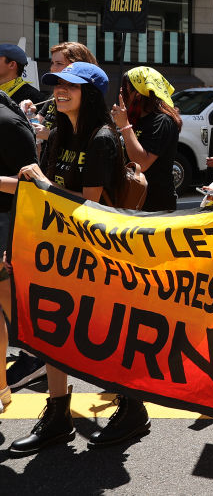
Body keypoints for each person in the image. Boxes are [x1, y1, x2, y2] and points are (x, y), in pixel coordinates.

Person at [1, 62, 144, 453]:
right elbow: (38, 192)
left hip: (95, 254)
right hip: (58, 251)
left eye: (71, 86)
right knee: (53, 331)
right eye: (58, 84)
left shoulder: (101, 138)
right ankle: (58, 415)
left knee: (103, 333)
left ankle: (132, 409)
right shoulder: (61, 133)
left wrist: (43, 184)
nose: (60, 90)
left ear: (91, 94)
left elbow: (90, 208)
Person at [0, 84, 39, 409]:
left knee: (4, 298)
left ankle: (33, 353)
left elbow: (35, 185)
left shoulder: (8, 123)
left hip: (7, 223)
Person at [111, 66, 181, 212]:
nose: (121, 92)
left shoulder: (162, 121)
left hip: (155, 206)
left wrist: (124, 126)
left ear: (138, 93)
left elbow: (142, 163)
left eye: (125, 87)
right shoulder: (134, 119)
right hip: (130, 201)